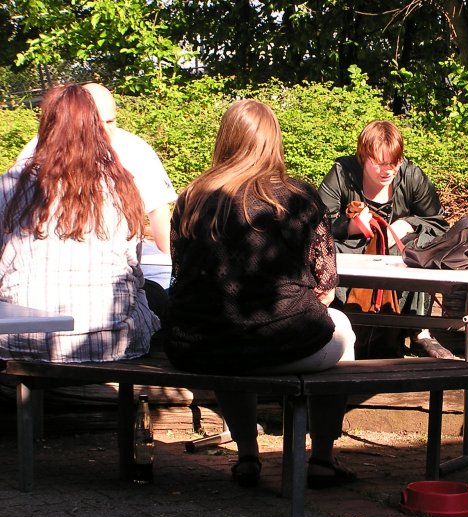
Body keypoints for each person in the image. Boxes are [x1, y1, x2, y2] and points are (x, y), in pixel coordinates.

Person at [164, 99, 358, 489]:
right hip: (286, 346)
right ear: (273, 141)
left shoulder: (192, 198)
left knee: (226, 327)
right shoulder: (299, 197)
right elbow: (326, 284)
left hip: (200, 348)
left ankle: (247, 456)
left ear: (225, 139)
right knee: (343, 329)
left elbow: (180, 276)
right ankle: (322, 457)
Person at [0, 84, 160, 362]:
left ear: (46, 126)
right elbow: (133, 267)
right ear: (95, 128)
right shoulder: (121, 186)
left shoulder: (11, 184)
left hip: (20, 339)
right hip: (110, 340)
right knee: (156, 296)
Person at [16, 82, 176, 304]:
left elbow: (160, 216)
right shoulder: (35, 153)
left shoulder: (135, 149)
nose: (103, 131)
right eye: (95, 122)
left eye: (110, 122)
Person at [318, 119, 453, 359]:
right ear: (363, 156)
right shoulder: (341, 173)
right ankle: (336, 322)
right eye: (380, 163)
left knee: (418, 247)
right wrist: (349, 227)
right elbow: (316, 224)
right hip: (352, 251)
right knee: (328, 251)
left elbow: (439, 225)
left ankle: (419, 331)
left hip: (398, 257)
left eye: (395, 162)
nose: (388, 170)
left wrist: (406, 225)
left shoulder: (411, 175)